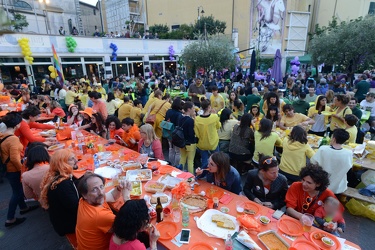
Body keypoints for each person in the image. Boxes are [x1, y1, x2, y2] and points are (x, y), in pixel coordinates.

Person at [76, 173, 132, 250]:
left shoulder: (84, 200)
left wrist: (119, 189)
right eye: (94, 189)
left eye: (101, 187)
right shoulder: (100, 215)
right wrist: (126, 197)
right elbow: (131, 226)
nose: (101, 193)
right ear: (84, 195)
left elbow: (111, 196)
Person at [1, 113, 38, 227]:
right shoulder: (12, 139)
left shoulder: (3, 135)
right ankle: (10, 218)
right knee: (17, 192)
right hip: (13, 170)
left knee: (17, 190)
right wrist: (23, 172)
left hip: (7, 168)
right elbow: (15, 159)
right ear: (17, 125)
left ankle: (23, 207)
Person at [39, 149, 79, 236]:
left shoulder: (54, 175)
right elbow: (77, 208)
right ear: (62, 163)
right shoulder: (63, 185)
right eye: (72, 159)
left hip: (61, 220)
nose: (76, 160)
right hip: (68, 225)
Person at [310, 129, 352, 194]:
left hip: (322, 184)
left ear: (334, 138)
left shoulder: (323, 149)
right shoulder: (348, 153)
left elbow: (313, 162)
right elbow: (348, 167)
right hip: (339, 187)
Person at [194, 99, 221, 173]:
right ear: (209, 107)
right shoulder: (215, 117)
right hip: (213, 142)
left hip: (202, 143)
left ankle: (202, 174)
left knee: (204, 162)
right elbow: (218, 126)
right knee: (216, 160)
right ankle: (216, 173)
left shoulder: (197, 119)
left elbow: (197, 133)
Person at [178, 101, 197, 174]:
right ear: (189, 109)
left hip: (182, 142)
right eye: (193, 108)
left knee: (182, 158)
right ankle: (190, 177)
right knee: (190, 161)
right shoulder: (190, 120)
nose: (194, 110)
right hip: (190, 143)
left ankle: (179, 173)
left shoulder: (180, 117)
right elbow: (191, 133)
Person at [164, 97, 183, 166]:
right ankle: (176, 165)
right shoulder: (179, 114)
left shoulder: (169, 111)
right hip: (176, 134)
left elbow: (166, 120)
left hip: (168, 132)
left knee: (170, 149)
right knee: (177, 152)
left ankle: (171, 163)